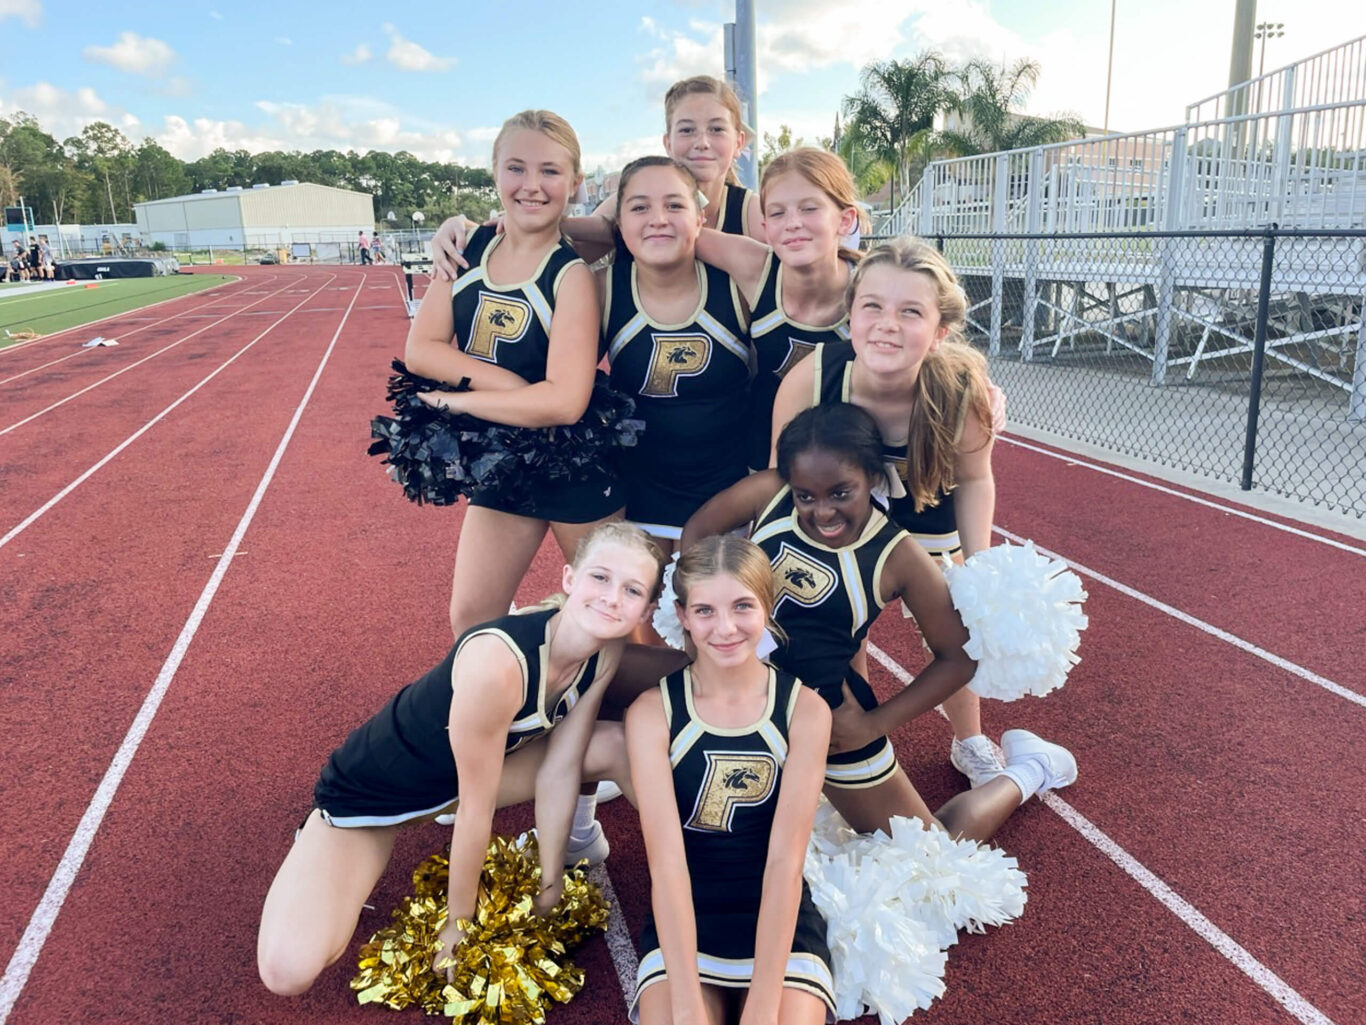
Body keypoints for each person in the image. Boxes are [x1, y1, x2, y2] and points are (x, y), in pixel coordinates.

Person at [257, 523, 664, 997]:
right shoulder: (499, 665)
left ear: (647, 609)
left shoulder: (604, 653)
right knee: (288, 974)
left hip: (452, 787)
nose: (612, 598)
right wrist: (458, 924)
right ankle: (316, 844)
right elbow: (478, 810)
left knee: (619, 745)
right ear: (570, 579)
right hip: (369, 803)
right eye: (600, 578)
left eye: (631, 589)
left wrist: (551, 882)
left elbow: (560, 769)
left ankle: (697, 885)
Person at [678, 403, 1076, 838]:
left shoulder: (898, 555)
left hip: (833, 720)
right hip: (741, 701)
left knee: (931, 866)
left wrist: (874, 723)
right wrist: (705, 633)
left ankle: (1030, 770)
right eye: (806, 496)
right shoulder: (769, 494)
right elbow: (697, 534)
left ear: (872, 477)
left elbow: (958, 658)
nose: (822, 511)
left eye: (840, 493)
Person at [770, 237, 1007, 789]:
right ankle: (849, 722)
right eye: (872, 306)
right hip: (841, 523)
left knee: (955, 630)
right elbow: (781, 478)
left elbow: (974, 478)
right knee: (833, 618)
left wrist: (980, 567)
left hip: (928, 522)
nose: (886, 324)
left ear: (939, 331)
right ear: (849, 316)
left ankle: (969, 739)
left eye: (911, 312)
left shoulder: (960, 388)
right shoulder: (815, 376)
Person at [401, 109, 623, 641]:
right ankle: (503, 718)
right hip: (505, 458)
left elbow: (564, 403)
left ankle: (614, 719)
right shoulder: (465, 249)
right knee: (472, 619)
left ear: (574, 182)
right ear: (494, 173)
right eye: (516, 168)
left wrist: (456, 401)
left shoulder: (570, 273)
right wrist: (509, 387)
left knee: (613, 621)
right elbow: (421, 350)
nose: (532, 186)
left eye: (549, 171)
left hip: (575, 462)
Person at [626, 534, 835, 1025]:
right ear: (681, 615)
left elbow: (786, 861)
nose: (725, 628)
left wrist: (763, 1007)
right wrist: (683, 1004)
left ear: (767, 604)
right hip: (686, 915)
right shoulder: (652, 713)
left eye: (743, 606)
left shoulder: (805, 710)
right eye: (704, 611)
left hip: (777, 914)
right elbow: (668, 864)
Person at [428, 75, 763, 280]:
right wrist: (466, 232)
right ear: (668, 143)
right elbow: (553, 254)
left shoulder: (755, 214)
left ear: (738, 143)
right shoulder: (633, 202)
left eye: (716, 129)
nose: (702, 141)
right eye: (687, 129)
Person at [595, 155, 752, 557]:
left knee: (722, 615)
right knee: (641, 616)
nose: (658, 218)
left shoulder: (739, 286)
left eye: (675, 205)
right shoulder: (600, 289)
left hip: (731, 497)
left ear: (700, 217)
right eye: (640, 207)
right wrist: (467, 233)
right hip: (638, 495)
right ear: (619, 224)